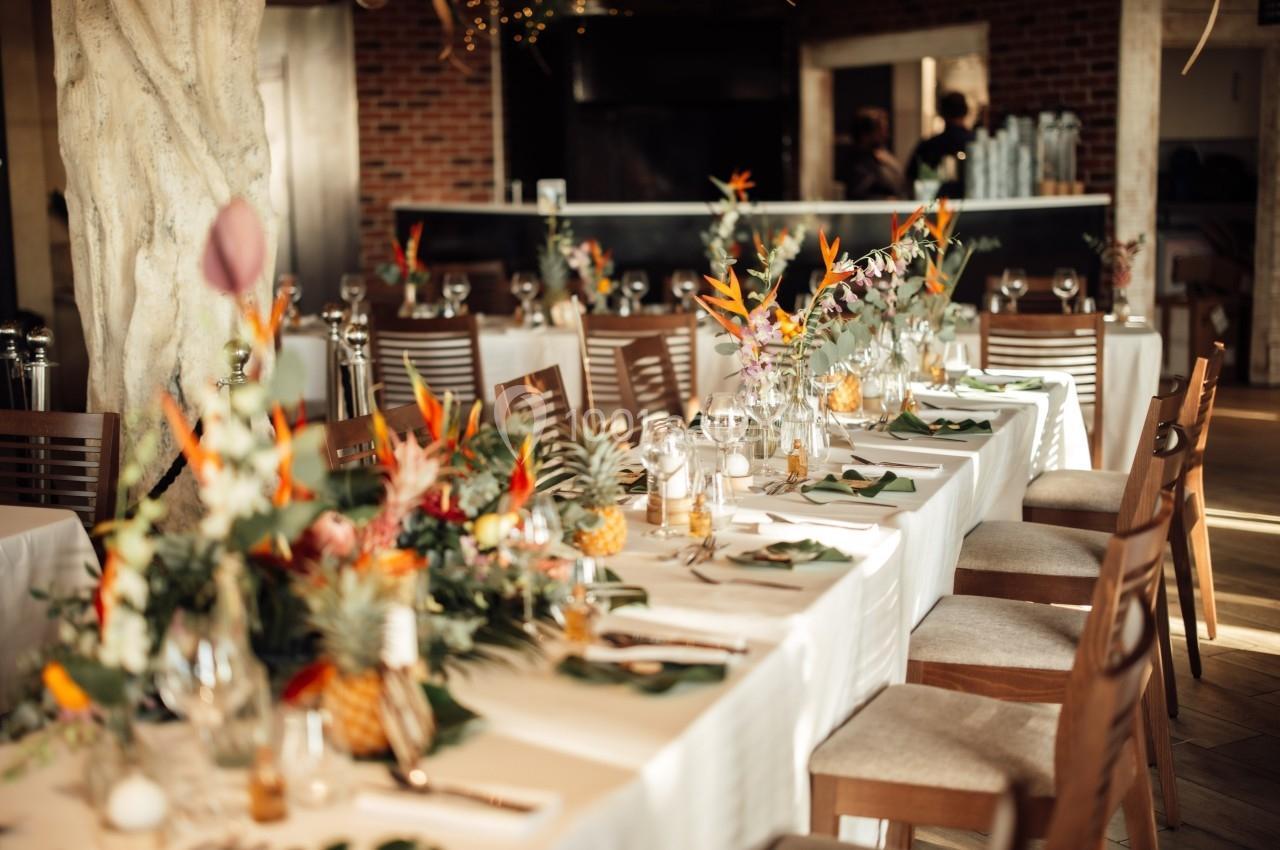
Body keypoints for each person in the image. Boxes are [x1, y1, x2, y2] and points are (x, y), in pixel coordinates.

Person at [906, 91, 974, 197]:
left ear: (941, 113)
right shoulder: (975, 144)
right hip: (973, 204)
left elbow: (910, 179)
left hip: (934, 206)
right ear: (966, 112)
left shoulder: (928, 145)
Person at [843, 107, 904, 200]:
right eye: (880, 131)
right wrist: (884, 200)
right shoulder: (858, 162)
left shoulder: (881, 155)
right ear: (865, 135)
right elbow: (857, 196)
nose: (885, 135)